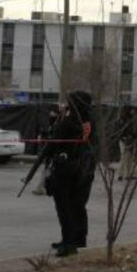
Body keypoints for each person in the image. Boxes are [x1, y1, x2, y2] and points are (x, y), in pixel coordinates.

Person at [44, 90, 96, 257]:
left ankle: (69, 242)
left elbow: (54, 142)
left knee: (65, 206)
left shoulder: (69, 121)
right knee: (77, 205)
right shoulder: (91, 120)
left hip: (67, 169)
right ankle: (77, 238)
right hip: (85, 169)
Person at [117, 105, 137, 181]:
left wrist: (135, 138)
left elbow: (135, 130)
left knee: (130, 158)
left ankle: (128, 174)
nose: (133, 112)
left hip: (131, 141)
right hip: (124, 141)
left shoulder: (132, 120)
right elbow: (120, 131)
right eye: (132, 110)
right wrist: (124, 138)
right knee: (124, 157)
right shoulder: (122, 120)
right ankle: (120, 174)